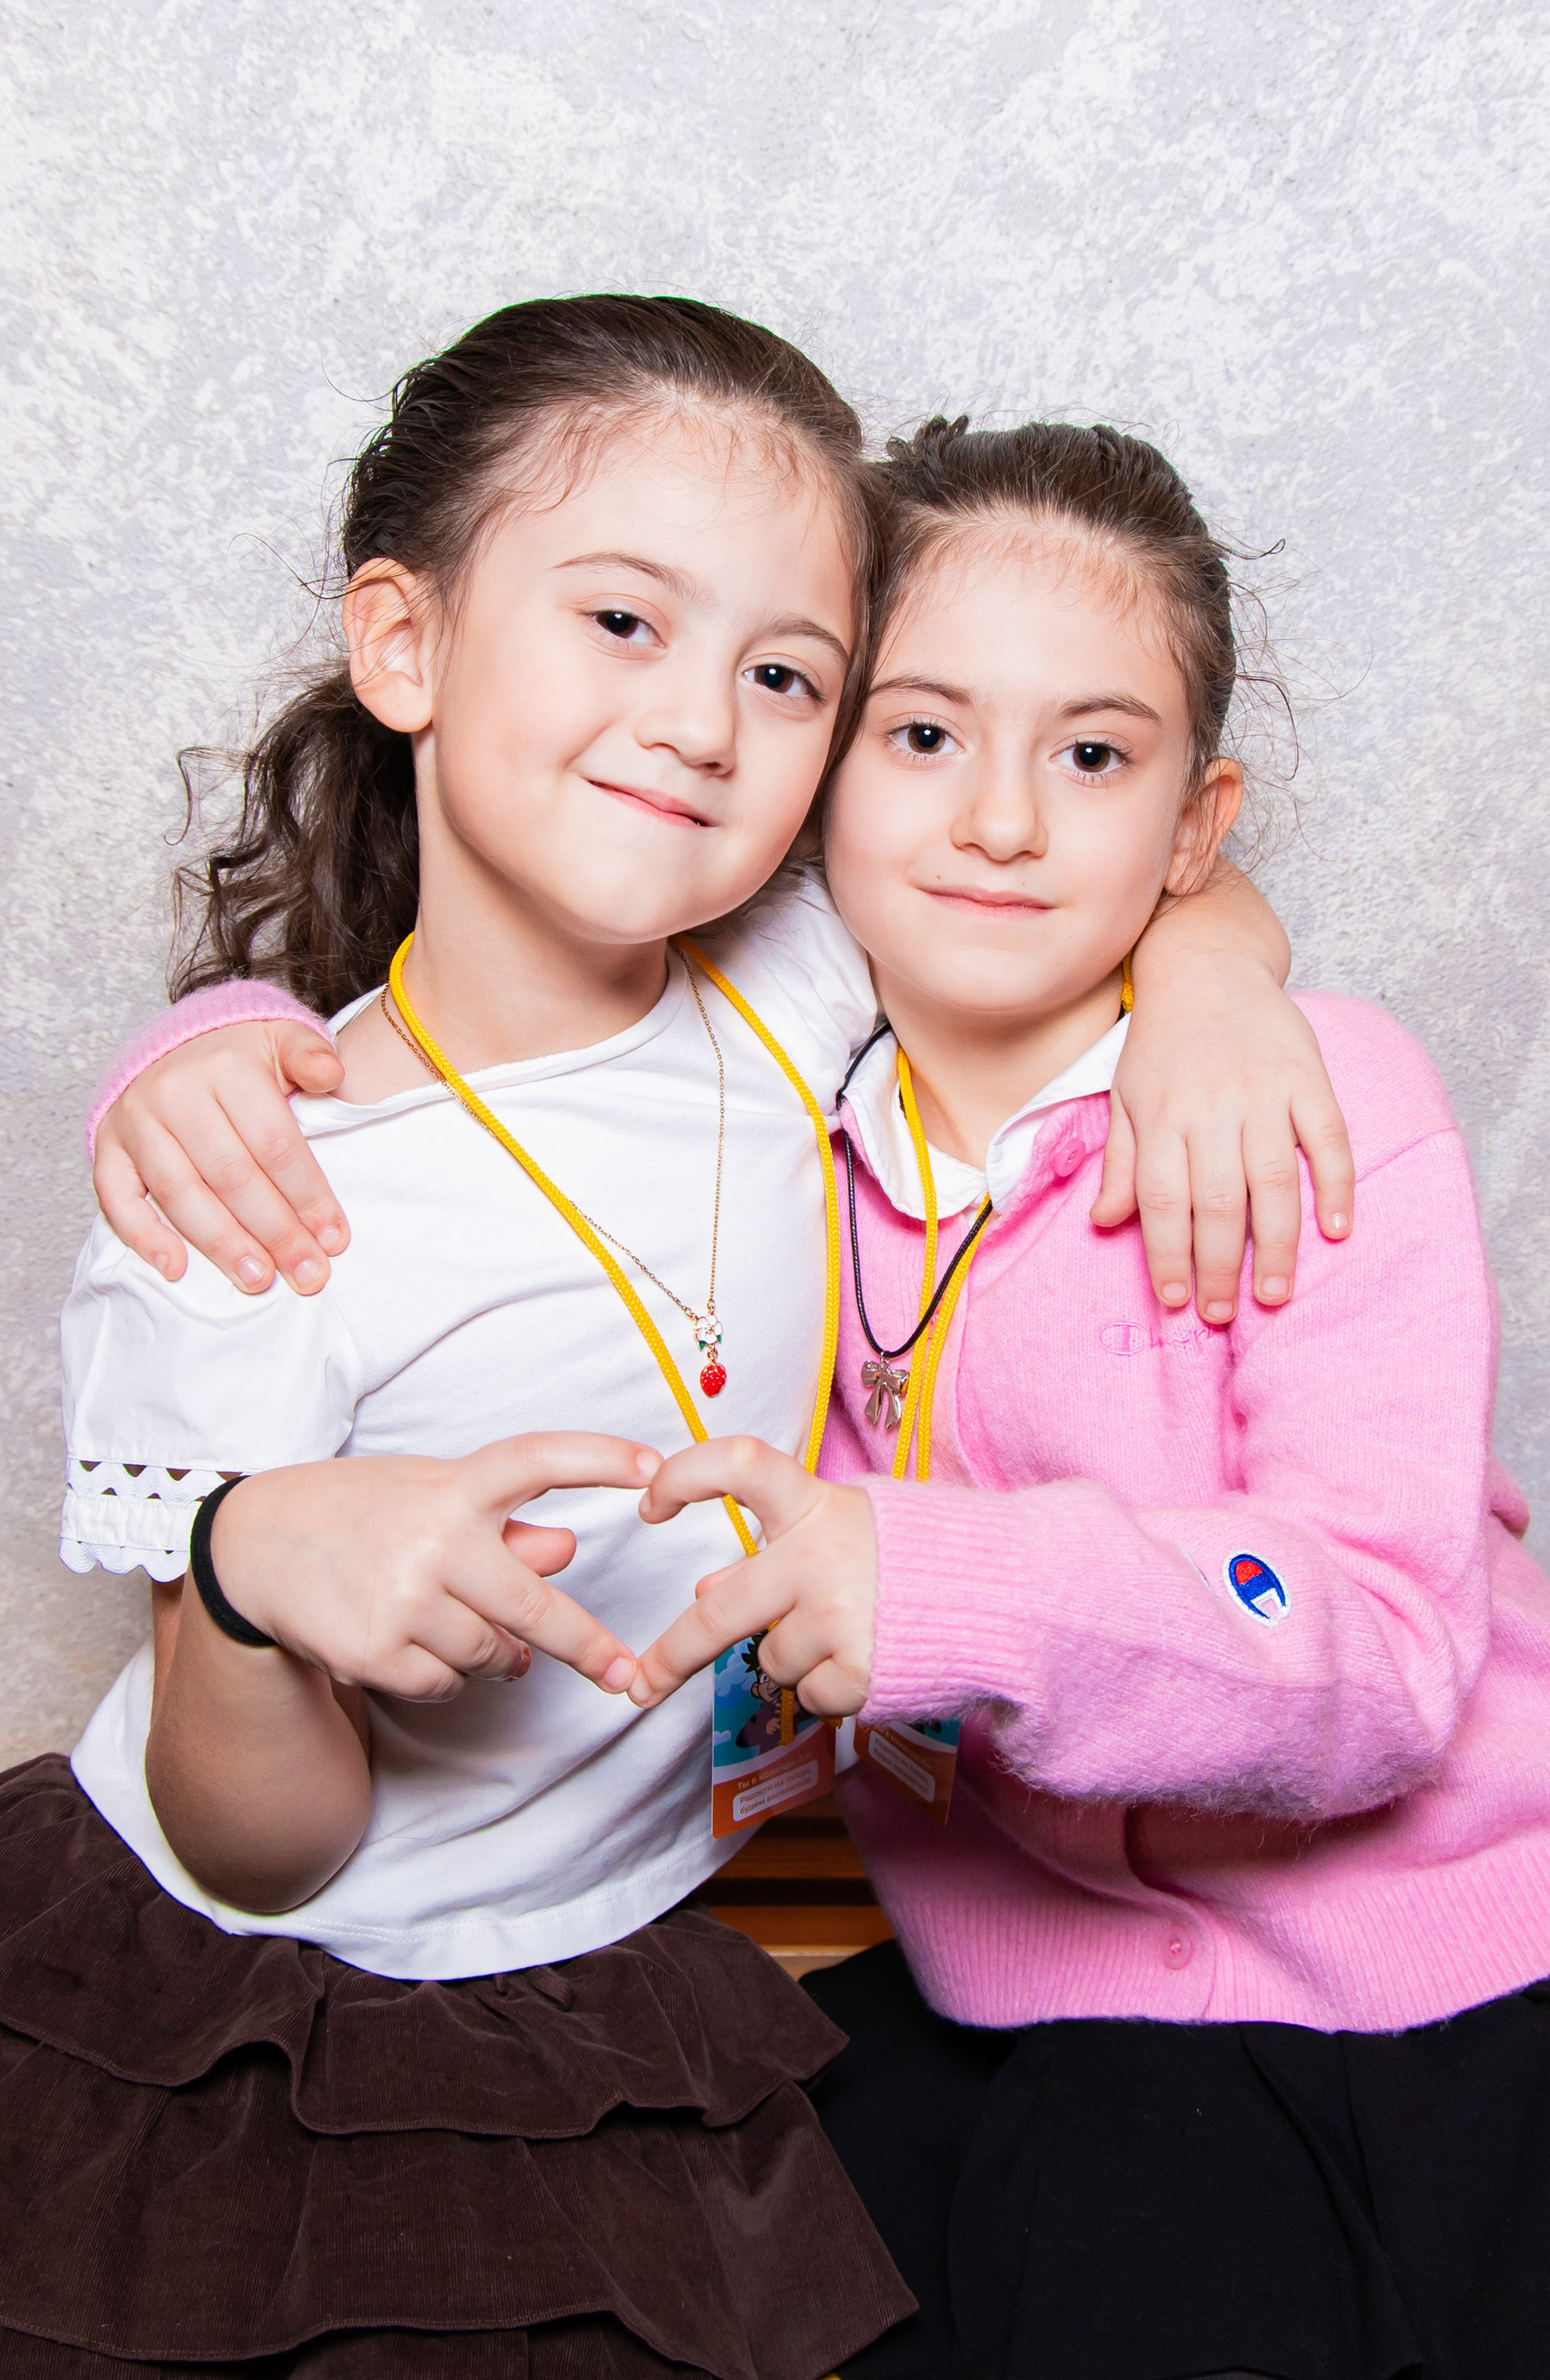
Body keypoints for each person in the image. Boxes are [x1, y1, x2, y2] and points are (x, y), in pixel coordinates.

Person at [36, 312, 1345, 2376]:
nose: (703, 725)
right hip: (309, 2001)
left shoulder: (791, 980)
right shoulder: (254, 1197)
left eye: (786, 676)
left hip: (665, 1921)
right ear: (405, 645)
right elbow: (254, 1851)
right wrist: (249, 1571)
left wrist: (1218, 990)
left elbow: (1107, 866)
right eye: (625, 621)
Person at [622, 419, 1550, 2380]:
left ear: (1196, 828)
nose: (1002, 824)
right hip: (1034, 1993)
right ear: (817, 763)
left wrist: (947, 1590)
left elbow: (1385, 1648)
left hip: (1455, 1985)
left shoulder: (1305, 1099)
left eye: (1094, 757)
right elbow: (477, 1014)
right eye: (923, 735)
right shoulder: (759, 1122)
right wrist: (219, 1053)